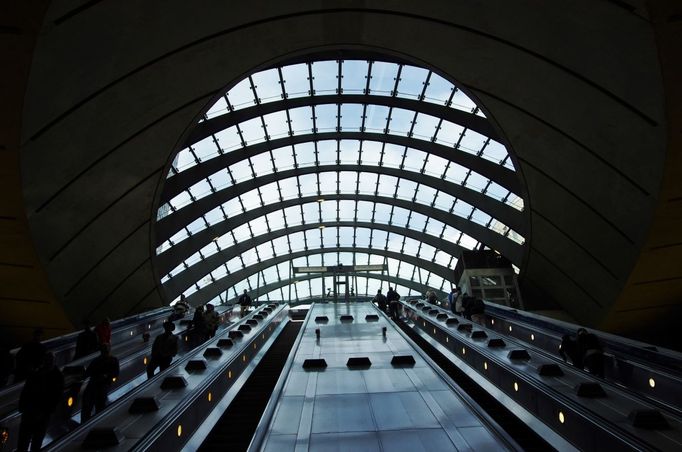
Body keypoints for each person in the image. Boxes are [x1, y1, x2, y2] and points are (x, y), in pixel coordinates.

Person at [17, 352, 63, 452]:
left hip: (39, 413)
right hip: (35, 413)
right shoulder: (51, 375)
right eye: (46, 360)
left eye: (49, 360)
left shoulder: (41, 374)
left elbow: (55, 396)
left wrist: (23, 407)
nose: (47, 363)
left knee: (33, 440)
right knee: (28, 440)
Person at [81, 344, 119, 422]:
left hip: (99, 386)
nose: (105, 351)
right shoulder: (111, 360)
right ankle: (93, 421)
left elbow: (115, 373)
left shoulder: (102, 360)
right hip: (97, 387)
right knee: (96, 406)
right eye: (104, 349)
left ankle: (87, 422)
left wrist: (106, 376)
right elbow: (88, 372)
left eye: (106, 349)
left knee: (94, 405)